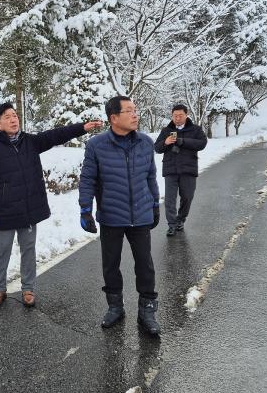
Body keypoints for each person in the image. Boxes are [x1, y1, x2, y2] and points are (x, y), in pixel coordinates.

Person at [0, 102, 102, 309]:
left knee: (28, 249)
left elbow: (55, 135)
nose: (13, 119)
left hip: (28, 207)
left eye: (14, 115)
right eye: (7, 117)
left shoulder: (29, 142)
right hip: (4, 209)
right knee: (1, 251)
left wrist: (81, 127)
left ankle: (28, 288)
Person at [78, 96, 161, 335]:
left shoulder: (145, 143)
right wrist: (85, 209)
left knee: (145, 265)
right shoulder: (96, 145)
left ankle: (147, 310)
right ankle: (115, 307)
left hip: (141, 215)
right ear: (114, 118)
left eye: (135, 110)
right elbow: (88, 179)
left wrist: (155, 204)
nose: (135, 115)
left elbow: (150, 177)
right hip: (112, 216)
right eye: (129, 111)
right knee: (111, 264)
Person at [154, 104, 207, 237]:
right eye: (175, 116)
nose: (177, 118)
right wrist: (166, 142)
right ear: (172, 116)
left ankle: (180, 219)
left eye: (180, 115)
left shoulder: (195, 129)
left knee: (187, 197)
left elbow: (202, 144)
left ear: (186, 114)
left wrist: (182, 141)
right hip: (170, 169)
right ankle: (171, 225)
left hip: (188, 169)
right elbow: (157, 148)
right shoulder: (166, 130)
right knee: (170, 200)